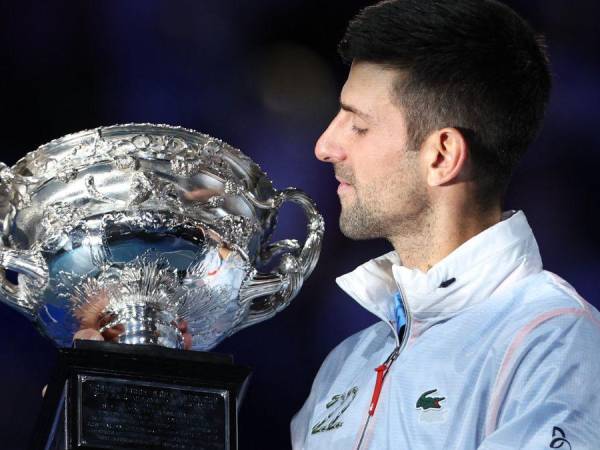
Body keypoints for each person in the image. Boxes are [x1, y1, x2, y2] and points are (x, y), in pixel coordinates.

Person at [290, 1, 600, 449]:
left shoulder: (553, 344)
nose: (324, 146)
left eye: (357, 125)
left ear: (441, 156)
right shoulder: (348, 362)